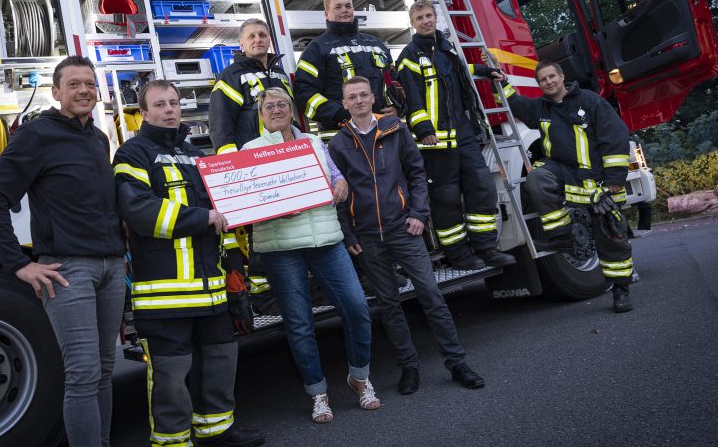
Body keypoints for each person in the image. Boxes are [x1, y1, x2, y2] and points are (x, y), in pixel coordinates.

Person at [0, 55, 127, 447]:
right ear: (56, 92)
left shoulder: (97, 137)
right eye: (73, 84)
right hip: (68, 270)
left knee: (105, 370)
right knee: (83, 373)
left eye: (89, 84)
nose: (83, 91)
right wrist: (19, 264)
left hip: (111, 267)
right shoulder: (37, 135)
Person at [112, 80, 265, 447]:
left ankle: (217, 431)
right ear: (144, 113)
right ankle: (173, 442)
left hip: (211, 291)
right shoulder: (132, 154)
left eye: (174, 103)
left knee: (220, 363)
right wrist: (202, 218)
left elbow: (224, 219)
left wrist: (234, 277)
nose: (169, 110)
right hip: (165, 296)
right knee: (170, 375)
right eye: (160, 104)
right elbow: (138, 211)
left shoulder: (197, 155)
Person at [328, 76, 486, 395]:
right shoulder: (338, 143)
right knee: (389, 304)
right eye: (351, 97)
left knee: (431, 294)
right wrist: (348, 234)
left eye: (363, 95)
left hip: (403, 228)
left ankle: (457, 363)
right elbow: (339, 194)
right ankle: (408, 367)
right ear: (344, 104)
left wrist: (418, 214)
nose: (358, 101)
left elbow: (416, 173)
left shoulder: (395, 129)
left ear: (373, 98)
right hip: (368, 236)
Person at [243, 87, 376, 424]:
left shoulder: (314, 142)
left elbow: (334, 174)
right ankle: (318, 394)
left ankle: (359, 378)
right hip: (281, 248)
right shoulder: (250, 151)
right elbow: (245, 202)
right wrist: (271, 209)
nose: (276, 109)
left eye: (282, 104)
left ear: (292, 110)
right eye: (269, 106)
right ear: (260, 115)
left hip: (326, 240)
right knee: (300, 324)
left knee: (357, 307)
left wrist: (341, 182)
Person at [500, 61, 636, 313]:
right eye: (543, 79)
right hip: (563, 172)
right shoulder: (541, 107)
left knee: (611, 236)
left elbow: (615, 136)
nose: (549, 82)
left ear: (562, 76)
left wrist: (615, 180)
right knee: (537, 179)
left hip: (597, 180)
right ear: (539, 84)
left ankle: (620, 289)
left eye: (552, 76)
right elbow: (517, 104)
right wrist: (501, 80)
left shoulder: (590, 101)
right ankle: (562, 237)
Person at [395, 0, 516, 270]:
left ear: (436, 17)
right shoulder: (408, 57)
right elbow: (411, 100)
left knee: (481, 187)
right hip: (436, 141)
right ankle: (459, 255)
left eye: (429, 15)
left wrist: (487, 71)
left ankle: (486, 247)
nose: (426, 21)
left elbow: (461, 71)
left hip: (463, 133)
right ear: (412, 23)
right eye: (420, 18)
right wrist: (424, 130)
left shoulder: (446, 47)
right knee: (446, 199)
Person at [294, 0, 398, 140]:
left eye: (348, 6)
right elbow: (303, 92)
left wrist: (397, 106)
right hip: (342, 135)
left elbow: (394, 81)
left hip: (383, 129)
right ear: (326, 13)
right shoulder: (316, 48)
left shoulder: (376, 44)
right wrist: (339, 114)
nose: (345, 10)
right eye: (338, 6)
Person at [209, 18, 292, 154]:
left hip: (288, 149)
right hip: (254, 154)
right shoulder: (230, 76)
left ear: (269, 40)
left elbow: (289, 114)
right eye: (251, 36)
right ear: (241, 43)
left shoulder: (279, 73)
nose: (258, 39)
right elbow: (220, 124)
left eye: (262, 35)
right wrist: (231, 159)